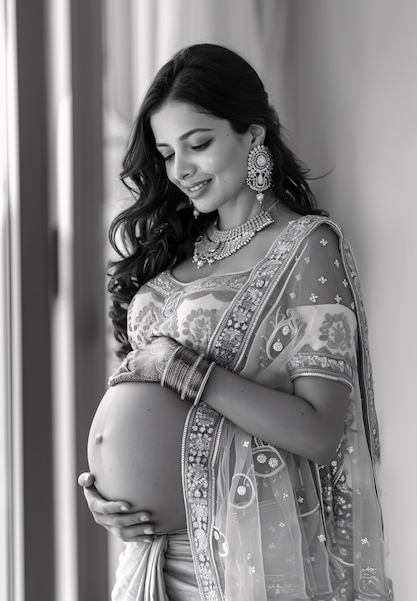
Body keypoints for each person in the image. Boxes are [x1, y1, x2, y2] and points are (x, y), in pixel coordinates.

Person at [78, 43, 393, 600]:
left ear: (253, 134)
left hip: (242, 558)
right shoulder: (176, 252)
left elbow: (319, 431)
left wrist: (184, 367)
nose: (181, 171)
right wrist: (105, 493)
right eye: (167, 153)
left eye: (198, 144)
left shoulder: (307, 248)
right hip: (149, 554)